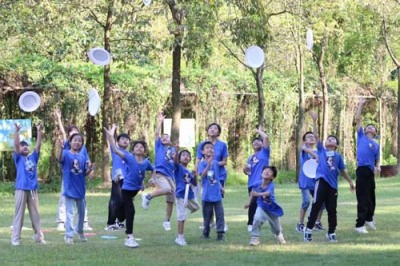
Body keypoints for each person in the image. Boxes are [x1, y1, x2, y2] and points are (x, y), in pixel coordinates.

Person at [104, 124, 155, 248]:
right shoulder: (129, 157)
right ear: (133, 150)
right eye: (136, 146)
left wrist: (152, 178)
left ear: (144, 150)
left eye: (141, 147)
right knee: (130, 211)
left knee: (122, 211)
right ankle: (129, 237)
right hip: (126, 189)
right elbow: (115, 150)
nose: (139, 148)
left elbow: (153, 170)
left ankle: (118, 220)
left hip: (135, 190)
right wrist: (111, 136)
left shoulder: (146, 162)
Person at [303, 132, 355, 243]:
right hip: (321, 182)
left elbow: (342, 171)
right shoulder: (321, 150)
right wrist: (314, 121)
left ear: (336, 145)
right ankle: (308, 230)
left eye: (333, 139)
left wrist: (350, 182)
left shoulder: (338, 156)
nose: (330, 140)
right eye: (328, 139)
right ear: (325, 143)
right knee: (316, 205)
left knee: (332, 209)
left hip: (333, 186)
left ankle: (331, 232)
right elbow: (317, 137)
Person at [54, 110, 93, 231]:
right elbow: (60, 156)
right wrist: (59, 119)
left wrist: (91, 170)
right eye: (72, 135)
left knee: (82, 201)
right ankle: (61, 221)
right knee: (64, 198)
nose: (76, 139)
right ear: (70, 139)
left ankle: (84, 223)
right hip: (68, 178)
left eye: (77, 135)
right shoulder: (66, 145)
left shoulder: (82, 149)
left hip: (79, 179)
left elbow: (87, 162)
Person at [11, 123, 46, 246]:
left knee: (35, 214)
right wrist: (16, 132)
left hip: (33, 190)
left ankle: (39, 237)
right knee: (19, 214)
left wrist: (39, 131)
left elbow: (38, 146)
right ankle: (16, 238)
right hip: (21, 189)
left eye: (26, 145)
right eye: (22, 145)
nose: (24, 147)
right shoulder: (18, 158)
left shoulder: (33, 158)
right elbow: (15, 144)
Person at [57, 133, 95, 244]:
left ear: (82, 144)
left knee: (82, 213)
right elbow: (59, 159)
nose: (77, 142)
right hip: (69, 188)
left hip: (80, 189)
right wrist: (60, 149)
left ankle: (80, 231)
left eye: (79, 141)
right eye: (75, 140)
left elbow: (84, 173)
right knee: (70, 212)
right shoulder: (65, 153)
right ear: (70, 142)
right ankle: (69, 235)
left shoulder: (82, 157)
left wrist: (90, 169)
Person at [141, 111, 176, 231]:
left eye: (167, 137)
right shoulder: (159, 146)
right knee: (166, 189)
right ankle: (148, 196)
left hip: (171, 177)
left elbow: (176, 163)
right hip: (160, 174)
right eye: (163, 137)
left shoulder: (173, 149)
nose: (164, 138)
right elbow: (156, 134)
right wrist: (159, 122)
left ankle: (167, 221)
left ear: (170, 140)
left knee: (171, 200)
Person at [195, 122, 228, 231]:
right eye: (210, 128)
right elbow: (198, 159)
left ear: (218, 132)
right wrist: (197, 170)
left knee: (218, 199)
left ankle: (222, 224)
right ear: (207, 130)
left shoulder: (222, 145)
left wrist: (214, 164)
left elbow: (224, 161)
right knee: (208, 198)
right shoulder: (202, 144)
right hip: (206, 174)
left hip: (219, 175)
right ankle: (210, 222)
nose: (212, 130)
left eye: (215, 128)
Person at [354, 98, 380, 233]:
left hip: (370, 172)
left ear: (375, 132)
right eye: (368, 126)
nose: (370, 127)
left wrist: (378, 166)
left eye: (372, 127)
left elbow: (377, 159)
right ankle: (359, 225)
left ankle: (369, 219)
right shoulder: (361, 137)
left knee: (371, 197)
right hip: (362, 169)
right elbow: (358, 119)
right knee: (363, 197)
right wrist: (361, 104)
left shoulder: (376, 144)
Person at [296, 112, 324, 233]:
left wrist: (314, 121)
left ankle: (317, 222)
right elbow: (303, 148)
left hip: (316, 182)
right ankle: (300, 224)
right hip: (305, 182)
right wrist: (314, 155)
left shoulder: (319, 150)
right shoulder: (304, 149)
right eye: (308, 137)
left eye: (312, 136)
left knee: (321, 204)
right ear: (304, 141)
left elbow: (317, 136)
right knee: (306, 202)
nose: (311, 138)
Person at [245, 166, 286, 246]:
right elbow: (252, 193)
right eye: (265, 170)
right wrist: (249, 203)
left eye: (269, 171)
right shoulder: (257, 184)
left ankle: (278, 234)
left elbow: (267, 193)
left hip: (272, 209)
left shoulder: (271, 185)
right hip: (261, 206)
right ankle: (254, 238)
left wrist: (258, 194)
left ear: (272, 177)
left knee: (276, 228)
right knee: (257, 218)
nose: (266, 171)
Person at [243, 126, 270, 232]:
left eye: (258, 141)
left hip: (264, 182)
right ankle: (250, 223)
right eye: (254, 142)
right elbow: (248, 171)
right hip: (252, 183)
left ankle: (261, 220)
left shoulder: (264, 152)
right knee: (253, 204)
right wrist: (245, 170)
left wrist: (260, 132)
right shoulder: (250, 157)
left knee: (265, 202)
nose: (256, 143)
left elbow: (266, 138)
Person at [198, 141, 225, 241]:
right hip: (207, 195)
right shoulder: (202, 163)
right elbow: (203, 175)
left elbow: (216, 177)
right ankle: (206, 232)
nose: (210, 149)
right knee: (207, 216)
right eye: (207, 148)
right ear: (203, 151)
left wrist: (221, 186)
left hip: (217, 194)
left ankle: (220, 233)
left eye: (212, 148)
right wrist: (208, 164)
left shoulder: (216, 163)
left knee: (220, 214)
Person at [104, 132, 131, 231]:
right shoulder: (115, 150)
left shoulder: (129, 155)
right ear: (118, 142)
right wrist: (111, 133)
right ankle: (110, 223)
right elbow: (110, 140)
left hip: (127, 181)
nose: (125, 141)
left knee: (125, 201)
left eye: (127, 139)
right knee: (116, 200)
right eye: (122, 139)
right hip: (118, 179)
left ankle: (119, 221)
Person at [173, 147, 200, 246]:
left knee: (196, 207)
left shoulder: (189, 171)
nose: (186, 157)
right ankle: (180, 238)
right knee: (181, 216)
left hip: (190, 195)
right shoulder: (178, 168)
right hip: (181, 194)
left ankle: (185, 209)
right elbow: (175, 161)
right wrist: (176, 151)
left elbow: (195, 183)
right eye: (183, 155)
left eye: (188, 156)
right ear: (179, 158)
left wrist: (195, 175)